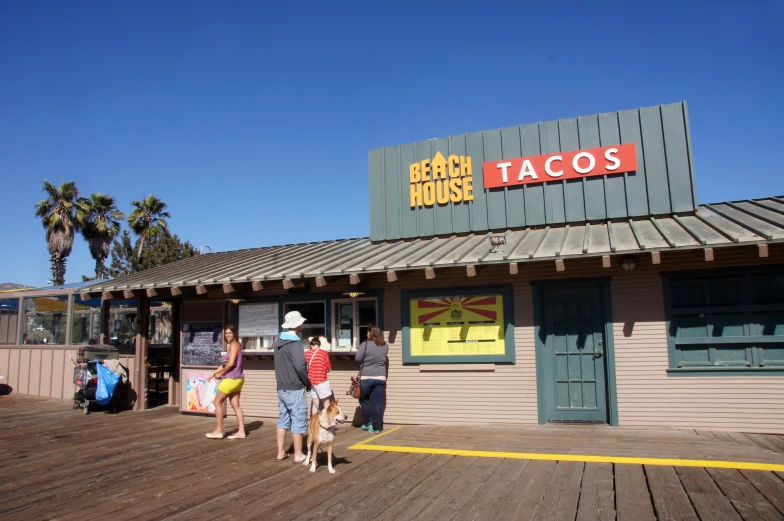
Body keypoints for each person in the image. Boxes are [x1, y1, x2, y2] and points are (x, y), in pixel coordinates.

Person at [273, 310, 312, 462]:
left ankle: (280, 452)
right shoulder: (295, 343)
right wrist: (307, 383)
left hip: (281, 385)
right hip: (295, 386)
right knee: (298, 418)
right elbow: (300, 366)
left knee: (283, 418)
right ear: (298, 324)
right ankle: (298, 454)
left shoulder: (278, 341)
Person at [205, 324, 246, 440]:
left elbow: (230, 363)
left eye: (230, 333)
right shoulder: (236, 345)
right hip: (239, 378)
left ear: (235, 334)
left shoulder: (233, 345)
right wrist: (214, 373)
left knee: (217, 402)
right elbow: (224, 364)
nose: (228, 335)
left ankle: (219, 430)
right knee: (236, 405)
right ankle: (241, 431)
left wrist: (220, 374)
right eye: (226, 333)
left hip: (230, 379)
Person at [355, 324, 388, 433]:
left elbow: (358, 358)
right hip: (380, 377)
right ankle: (377, 427)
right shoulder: (385, 345)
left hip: (366, 377)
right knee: (378, 402)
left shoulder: (365, 344)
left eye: (367, 332)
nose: (366, 333)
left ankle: (368, 423)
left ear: (371, 333)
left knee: (364, 400)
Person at [306, 335, 332, 416]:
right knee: (326, 402)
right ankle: (327, 421)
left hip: (310, 382)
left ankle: (314, 421)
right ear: (319, 345)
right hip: (321, 381)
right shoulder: (323, 353)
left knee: (315, 402)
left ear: (311, 345)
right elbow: (328, 367)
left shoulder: (306, 354)